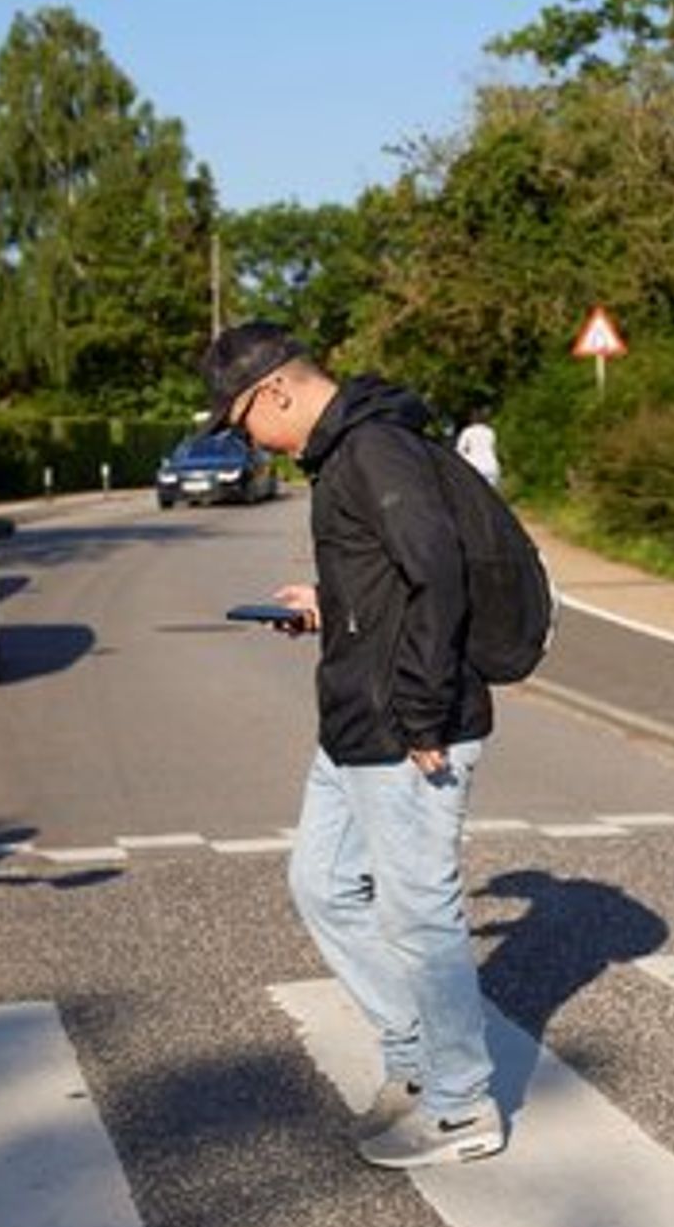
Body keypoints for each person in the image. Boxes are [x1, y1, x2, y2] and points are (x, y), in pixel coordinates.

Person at [203, 322, 505, 1169]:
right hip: (354, 722)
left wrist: (420, 716)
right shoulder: (347, 454)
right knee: (325, 883)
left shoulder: (374, 448)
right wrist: (328, 602)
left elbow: (438, 574)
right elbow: (389, 578)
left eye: (240, 423)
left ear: (276, 393)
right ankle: (415, 1064)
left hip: (406, 725)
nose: (246, 442)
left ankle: (459, 1108)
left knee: (420, 914)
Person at [453, 414, 501, 489]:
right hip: (492, 467)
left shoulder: (467, 432)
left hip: (475, 468)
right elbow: (493, 448)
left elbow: (459, 452)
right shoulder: (490, 432)